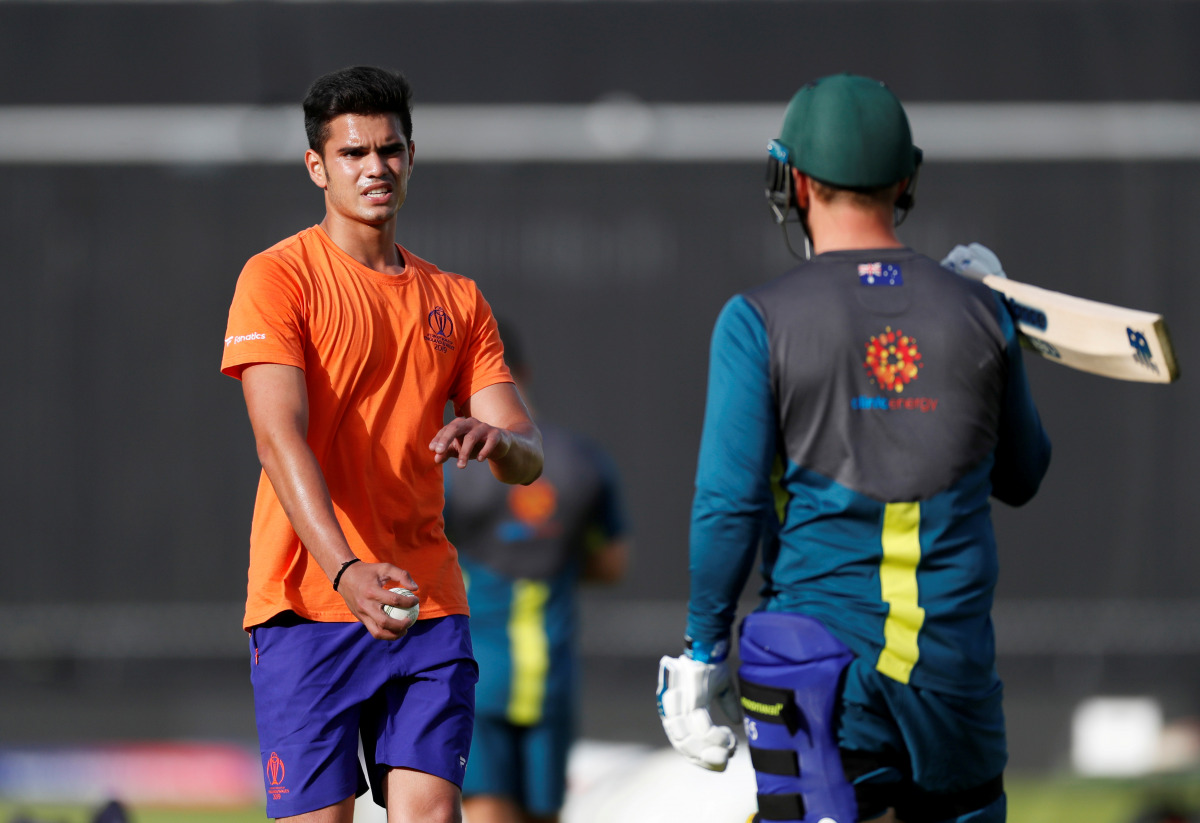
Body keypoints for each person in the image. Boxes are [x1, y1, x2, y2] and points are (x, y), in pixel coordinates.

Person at [656, 73, 1052, 823]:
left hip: (818, 665)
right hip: (954, 676)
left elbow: (729, 502)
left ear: (795, 181)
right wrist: (992, 319)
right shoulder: (980, 312)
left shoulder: (757, 320)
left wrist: (703, 648)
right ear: (906, 180)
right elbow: (1023, 474)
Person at [220, 66, 543, 823]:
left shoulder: (456, 299)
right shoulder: (277, 278)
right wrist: (346, 570)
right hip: (308, 603)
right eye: (353, 153)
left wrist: (497, 439)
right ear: (316, 166)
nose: (375, 169)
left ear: (411, 155)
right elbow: (278, 438)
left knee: (431, 814)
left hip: (425, 601)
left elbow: (528, 454)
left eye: (389, 151)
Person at [443, 324, 630, 823]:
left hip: (473, 676)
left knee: (485, 812)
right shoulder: (584, 463)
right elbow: (612, 564)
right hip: (552, 675)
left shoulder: (447, 470)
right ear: (520, 374)